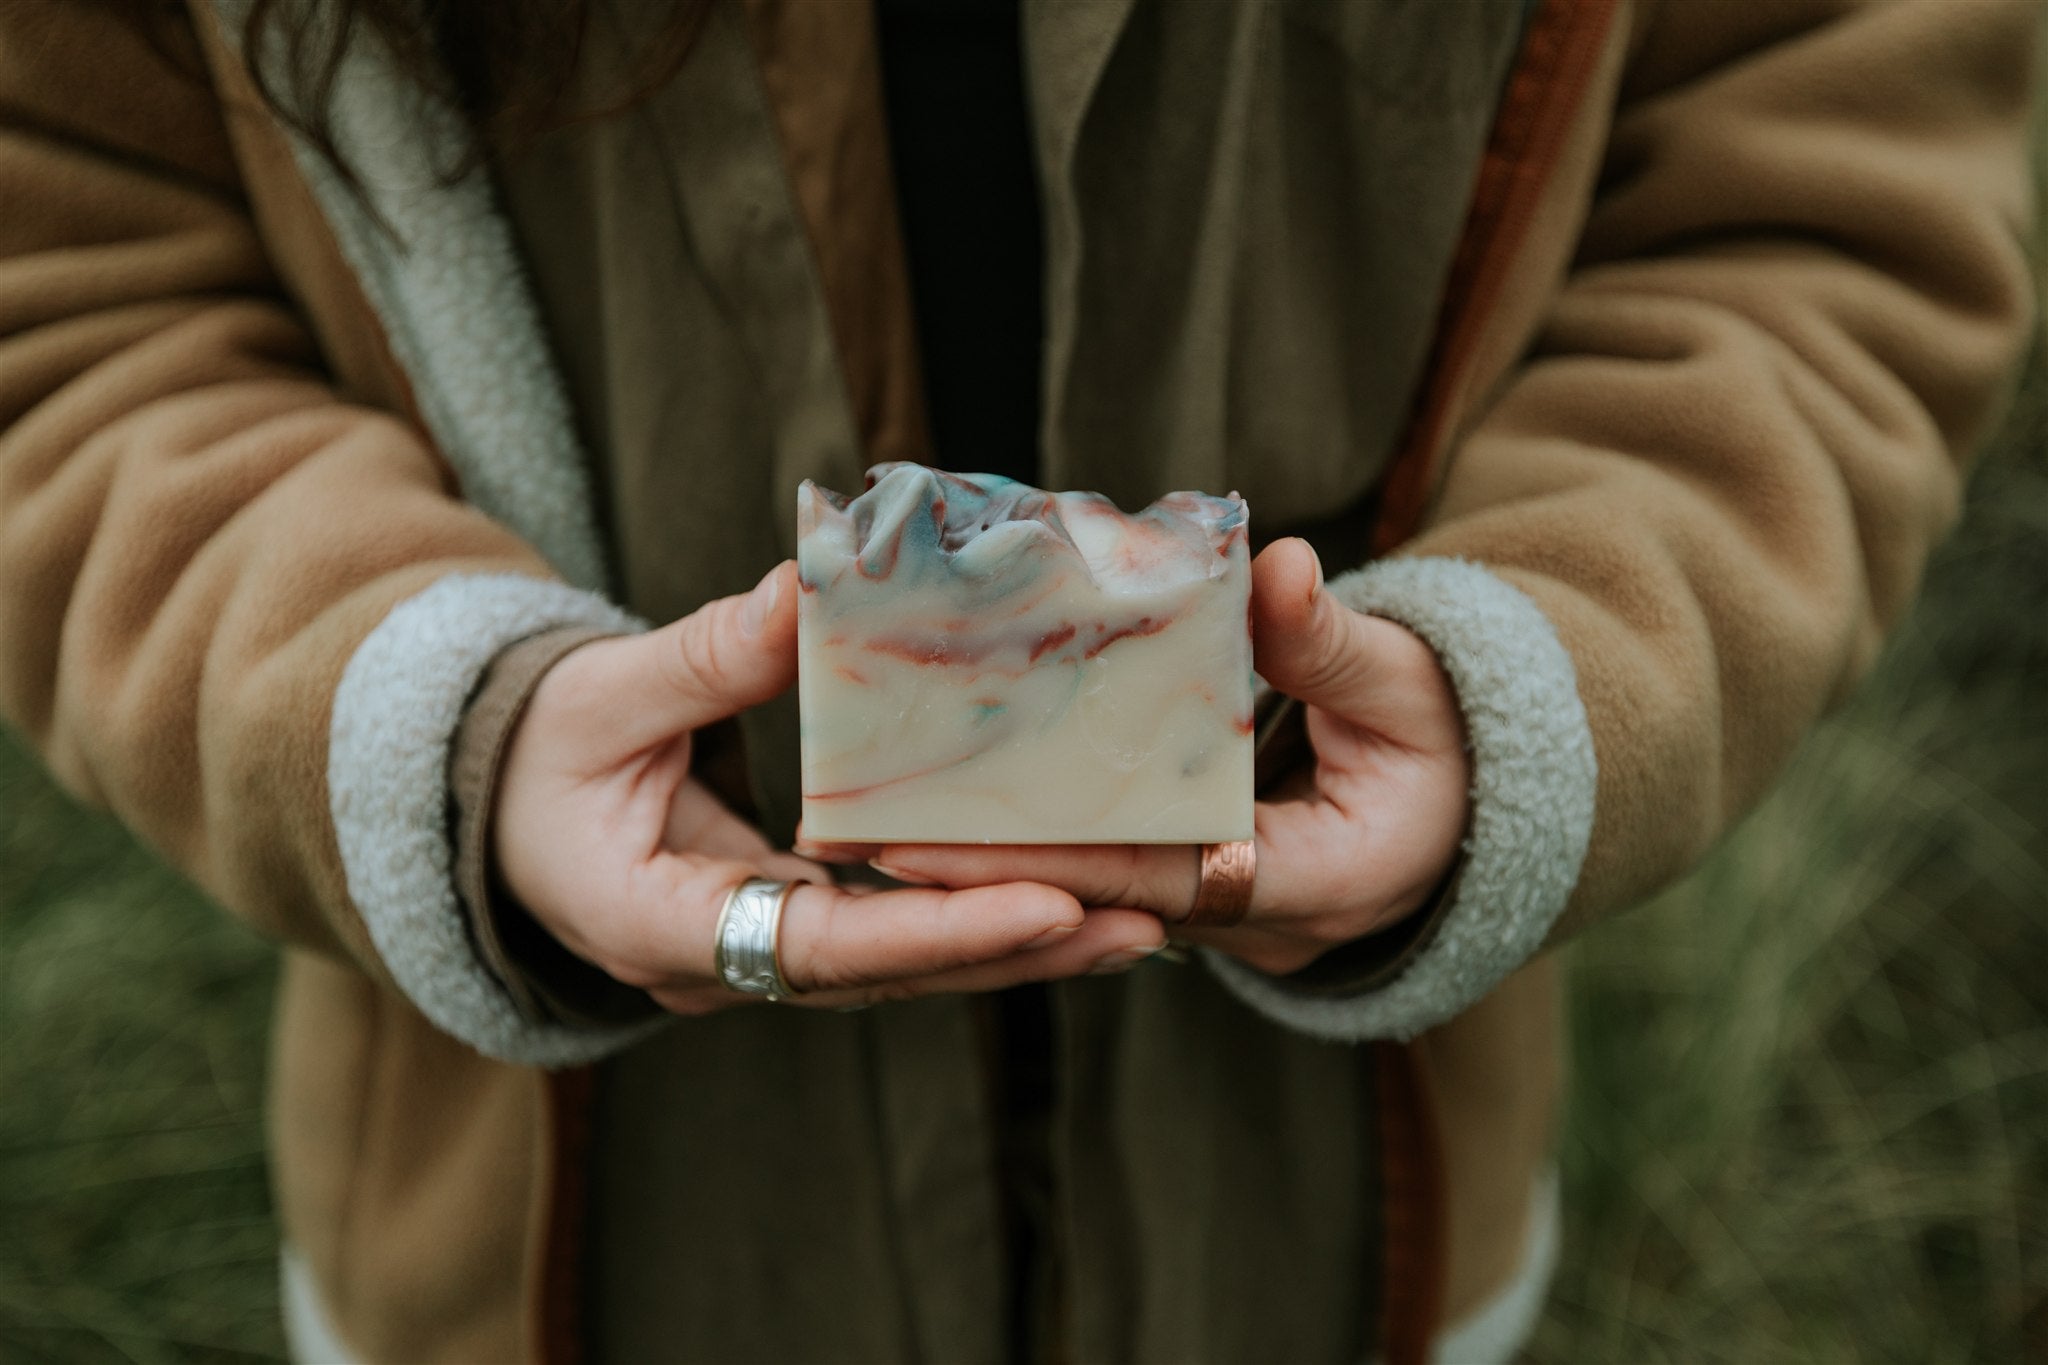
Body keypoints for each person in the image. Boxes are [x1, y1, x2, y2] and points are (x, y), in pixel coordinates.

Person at [0, 0, 2033, 1361]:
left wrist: (1546, 667)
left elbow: (1820, 201)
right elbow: (65, 299)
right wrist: (445, 732)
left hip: (1338, 1235)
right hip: (550, 1255)